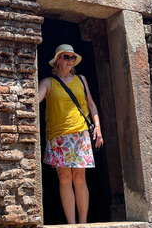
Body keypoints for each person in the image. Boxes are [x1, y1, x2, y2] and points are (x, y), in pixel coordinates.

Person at [38, 44, 103, 224]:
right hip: (58, 136)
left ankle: (83, 224)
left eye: (72, 58)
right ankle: (71, 225)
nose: (70, 60)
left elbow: (91, 105)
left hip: (80, 133)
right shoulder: (47, 82)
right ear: (58, 59)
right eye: (66, 57)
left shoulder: (81, 79)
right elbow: (36, 98)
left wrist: (97, 126)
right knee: (65, 178)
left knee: (80, 177)